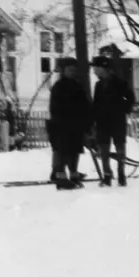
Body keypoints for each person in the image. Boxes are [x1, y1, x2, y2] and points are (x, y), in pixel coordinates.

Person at [48, 57, 92, 190]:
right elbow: (54, 107)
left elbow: (84, 105)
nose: (72, 72)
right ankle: (61, 177)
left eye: (74, 70)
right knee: (63, 151)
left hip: (76, 124)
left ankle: (74, 173)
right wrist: (61, 120)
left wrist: (86, 122)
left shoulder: (78, 87)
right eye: (69, 70)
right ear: (64, 71)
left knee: (75, 151)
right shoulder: (58, 87)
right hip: (63, 125)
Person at [91, 55, 135, 187]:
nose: (94, 71)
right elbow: (96, 104)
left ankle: (121, 174)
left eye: (96, 68)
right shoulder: (98, 85)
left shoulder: (120, 83)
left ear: (104, 69)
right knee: (104, 150)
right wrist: (94, 118)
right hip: (103, 122)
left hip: (117, 120)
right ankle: (107, 175)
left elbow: (130, 98)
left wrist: (123, 109)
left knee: (120, 148)